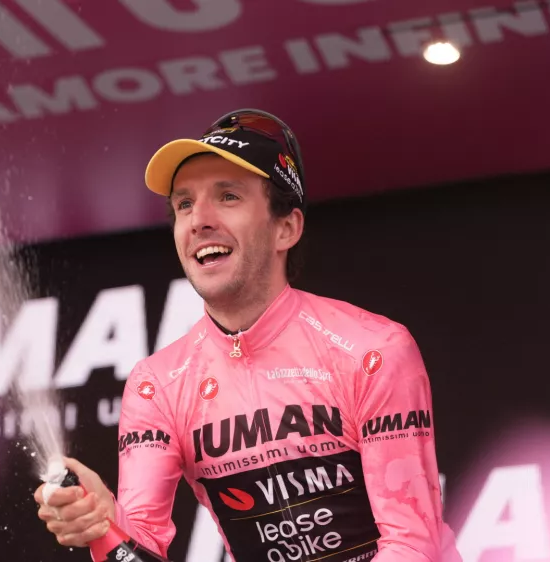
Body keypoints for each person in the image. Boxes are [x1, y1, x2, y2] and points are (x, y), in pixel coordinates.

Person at [33, 108, 462, 561]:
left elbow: (412, 545)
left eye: (228, 196)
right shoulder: (156, 385)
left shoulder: (373, 350)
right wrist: (102, 522)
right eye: (183, 204)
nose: (199, 219)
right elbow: (142, 543)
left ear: (286, 228)